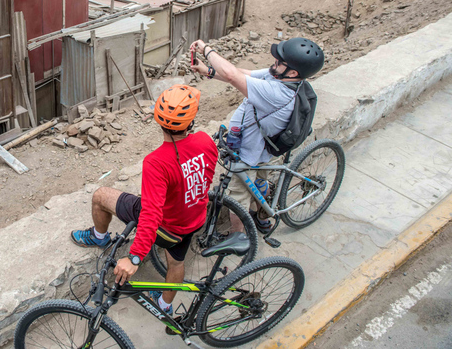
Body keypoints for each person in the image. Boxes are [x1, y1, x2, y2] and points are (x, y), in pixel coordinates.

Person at [70, 85, 218, 316]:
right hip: (193, 219)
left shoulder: (156, 162)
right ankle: (164, 305)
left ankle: (99, 237)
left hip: (166, 226)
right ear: (190, 121)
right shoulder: (206, 141)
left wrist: (135, 256)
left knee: (100, 196)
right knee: (177, 264)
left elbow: (151, 214)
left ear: (158, 120)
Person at [189, 37, 324, 233]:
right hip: (261, 149)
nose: (274, 61)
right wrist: (208, 71)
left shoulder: (277, 92)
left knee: (237, 199)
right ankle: (263, 217)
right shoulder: (280, 77)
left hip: (248, 153)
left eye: (280, 61)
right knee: (260, 181)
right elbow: (245, 74)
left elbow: (232, 76)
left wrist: (206, 50)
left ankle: (241, 240)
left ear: (293, 72)